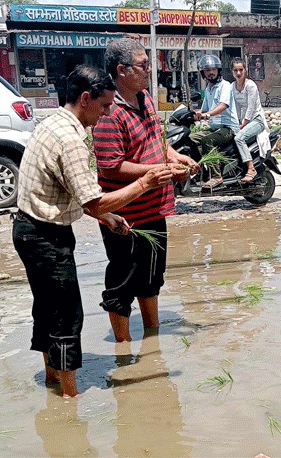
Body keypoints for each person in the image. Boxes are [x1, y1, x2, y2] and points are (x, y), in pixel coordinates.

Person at [13, 65, 173, 397]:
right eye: (104, 106)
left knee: (46, 307)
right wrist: (145, 182)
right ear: (85, 99)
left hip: (27, 229)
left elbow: (73, 192)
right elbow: (94, 201)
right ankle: (69, 398)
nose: (107, 113)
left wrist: (109, 216)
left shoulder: (53, 123)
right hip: (46, 237)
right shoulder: (70, 139)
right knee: (66, 315)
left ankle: (52, 378)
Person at [93, 38, 198, 344]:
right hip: (125, 215)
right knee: (123, 280)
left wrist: (173, 157)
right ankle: (124, 348)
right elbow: (110, 167)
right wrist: (152, 173)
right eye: (143, 65)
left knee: (152, 277)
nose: (149, 70)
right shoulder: (108, 111)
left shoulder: (146, 98)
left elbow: (156, 138)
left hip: (154, 207)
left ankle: (152, 340)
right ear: (121, 70)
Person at [192, 54, 241, 189]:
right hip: (214, 128)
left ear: (219, 70)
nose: (211, 72)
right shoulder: (208, 88)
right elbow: (204, 109)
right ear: (203, 73)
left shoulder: (225, 86)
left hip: (228, 128)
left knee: (207, 141)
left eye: (213, 69)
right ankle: (200, 171)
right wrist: (194, 114)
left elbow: (222, 106)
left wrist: (207, 115)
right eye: (207, 70)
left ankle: (216, 176)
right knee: (190, 138)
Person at [231, 57, 268, 182]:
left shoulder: (251, 85)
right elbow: (235, 107)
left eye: (241, 70)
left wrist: (243, 124)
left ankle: (251, 168)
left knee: (239, 138)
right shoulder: (232, 86)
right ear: (232, 72)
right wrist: (236, 122)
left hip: (256, 120)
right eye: (235, 70)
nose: (238, 73)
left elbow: (251, 108)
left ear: (245, 70)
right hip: (243, 121)